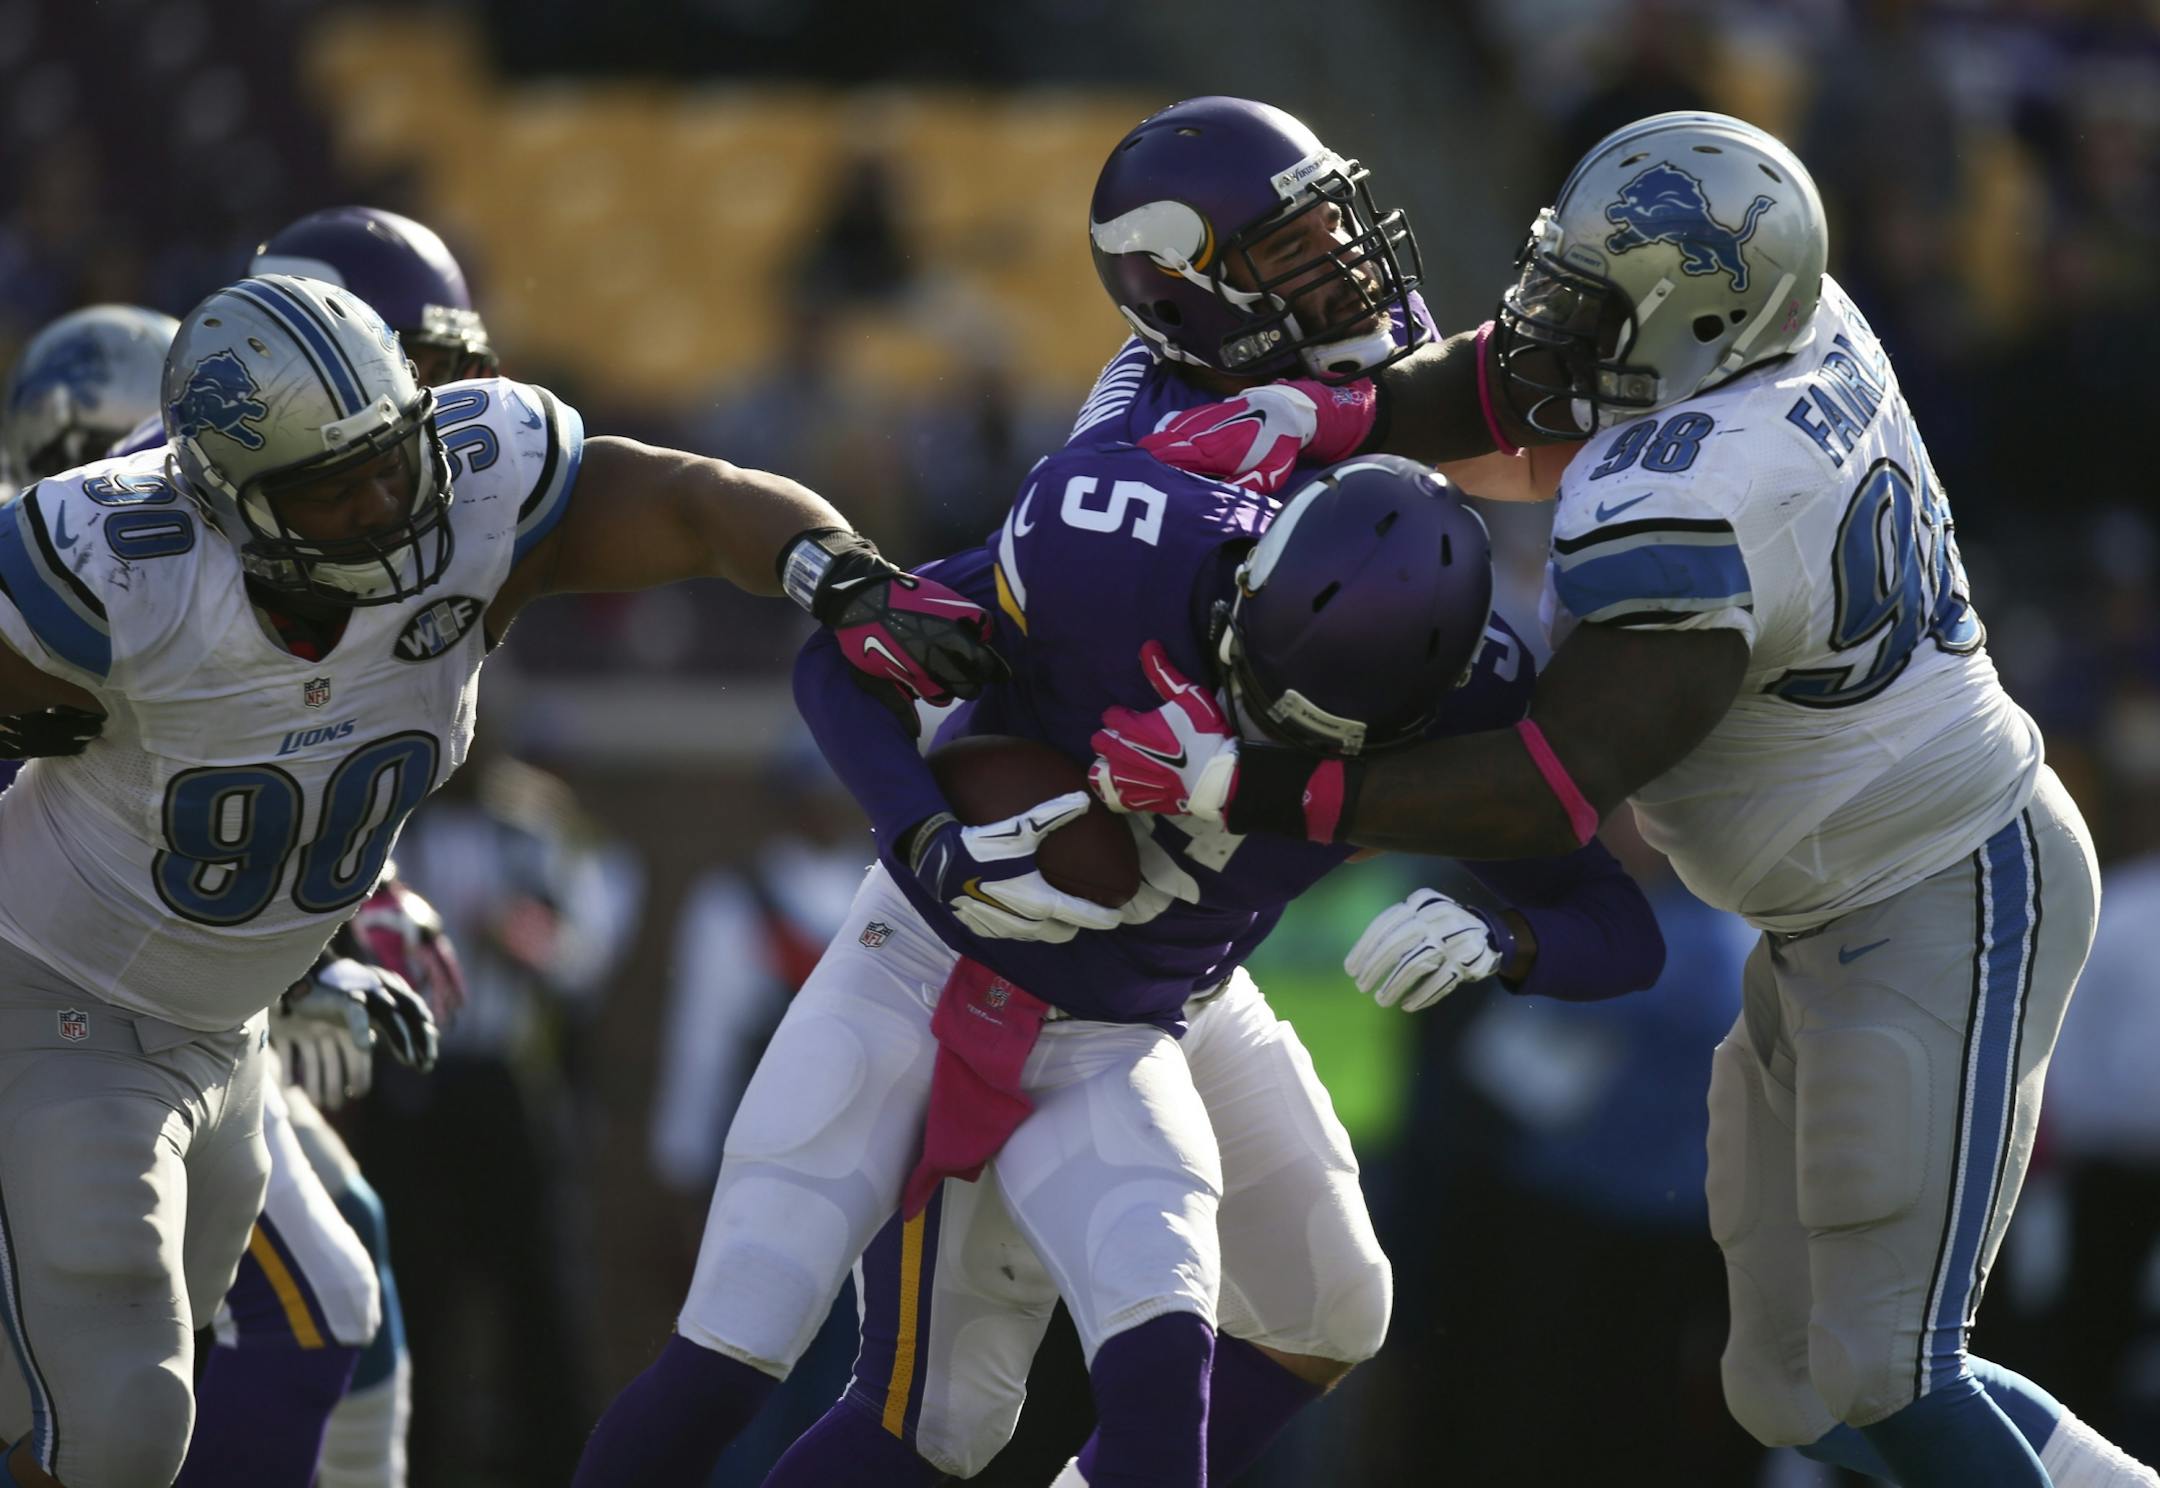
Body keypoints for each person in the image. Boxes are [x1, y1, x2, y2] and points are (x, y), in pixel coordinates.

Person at [1089, 111, 2156, 1488]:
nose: (1545, 320)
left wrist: (1251, 782)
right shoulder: (1793, 314)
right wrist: (1331, 416)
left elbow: (1552, 782)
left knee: (1891, 1369)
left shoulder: (1706, 496)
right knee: (1792, 1392)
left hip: (1941, 887)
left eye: (1589, 300)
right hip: (1837, 904)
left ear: (1698, 316)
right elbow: (1529, 390)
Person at [0, 269, 998, 1488]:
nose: (383, 501)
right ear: (228, 503)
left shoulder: (477, 489)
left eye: (391, 455)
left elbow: (693, 503)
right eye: (331, 488)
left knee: (112, 1389)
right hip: (59, 1003)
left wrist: (835, 574)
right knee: (121, 1421)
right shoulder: (127, 565)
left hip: (224, 1037)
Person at [756, 96, 1601, 1488]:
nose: (1352, 268)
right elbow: (954, 618)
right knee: (938, 1414)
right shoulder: (1149, 475)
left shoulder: (1301, 406)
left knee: (1334, 1309)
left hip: (1199, 972)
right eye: (1299, 251)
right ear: (1190, 287)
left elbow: (1528, 426)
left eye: (1337, 228)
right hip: (1047, 952)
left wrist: (1339, 408)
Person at [574, 443, 1663, 1488]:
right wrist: (928, 840)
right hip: (936, 955)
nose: (1261, 725)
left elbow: (1621, 927)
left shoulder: (1475, 706)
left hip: (1144, 1013)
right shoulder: (1118, 545)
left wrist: (1507, 939)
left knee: (1247, 1334)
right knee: (763, 1354)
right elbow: (842, 656)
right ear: (1249, 576)